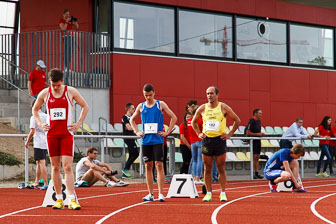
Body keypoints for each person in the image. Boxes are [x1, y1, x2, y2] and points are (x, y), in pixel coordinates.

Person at [32, 68, 89, 210]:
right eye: (53, 85)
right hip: (51, 135)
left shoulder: (70, 91)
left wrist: (78, 124)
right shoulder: (45, 93)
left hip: (66, 134)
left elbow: (85, 106)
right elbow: (35, 109)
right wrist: (40, 124)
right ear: (49, 83)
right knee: (55, 167)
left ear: (62, 81)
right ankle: (58, 199)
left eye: (57, 85)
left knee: (68, 166)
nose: (55, 88)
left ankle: (72, 199)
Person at [192, 86, 241, 202]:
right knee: (207, 168)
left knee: (221, 168)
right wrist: (198, 133)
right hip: (207, 140)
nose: (209, 95)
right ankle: (208, 193)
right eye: (208, 93)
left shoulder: (223, 107)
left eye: (212, 93)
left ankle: (223, 192)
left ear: (217, 95)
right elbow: (193, 122)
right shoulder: (202, 108)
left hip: (220, 140)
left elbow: (237, 120)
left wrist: (230, 134)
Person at [130, 84, 177, 202]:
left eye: (150, 95)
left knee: (159, 165)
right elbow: (132, 119)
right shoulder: (141, 106)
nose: (148, 98)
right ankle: (150, 193)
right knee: (148, 165)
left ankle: (161, 193)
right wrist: (136, 131)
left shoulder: (160, 104)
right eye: (146, 95)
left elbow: (174, 117)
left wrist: (167, 132)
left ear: (154, 93)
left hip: (157, 140)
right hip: (146, 140)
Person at [25, 100, 49, 190]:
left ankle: (46, 183)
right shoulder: (46, 116)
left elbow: (32, 131)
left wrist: (27, 141)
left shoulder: (34, 117)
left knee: (41, 162)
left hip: (38, 141)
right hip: (45, 140)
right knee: (39, 162)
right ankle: (37, 181)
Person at [246, 109, 265, 179]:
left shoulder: (259, 121)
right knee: (254, 158)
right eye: (260, 113)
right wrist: (258, 134)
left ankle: (256, 173)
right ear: (255, 113)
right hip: (253, 141)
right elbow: (248, 132)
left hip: (258, 141)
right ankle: (253, 173)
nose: (261, 115)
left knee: (257, 158)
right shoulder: (252, 121)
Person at [121, 103, 139, 179]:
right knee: (135, 153)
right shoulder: (124, 117)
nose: (134, 110)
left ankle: (125, 171)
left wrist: (133, 127)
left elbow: (134, 127)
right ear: (128, 109)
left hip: (132, 137)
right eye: (132, 108)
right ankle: (125, 169)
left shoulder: (132, 118)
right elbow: (129, 128)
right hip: (128, 138)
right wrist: (132, 127)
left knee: (132, 154)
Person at [188, 105, 204, 184]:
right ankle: (197, 177)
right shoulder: (201, 120)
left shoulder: (189, 120)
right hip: (200, 141)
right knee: (200, 160)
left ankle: (194, 177)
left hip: (192, 142)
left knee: (194, 160)